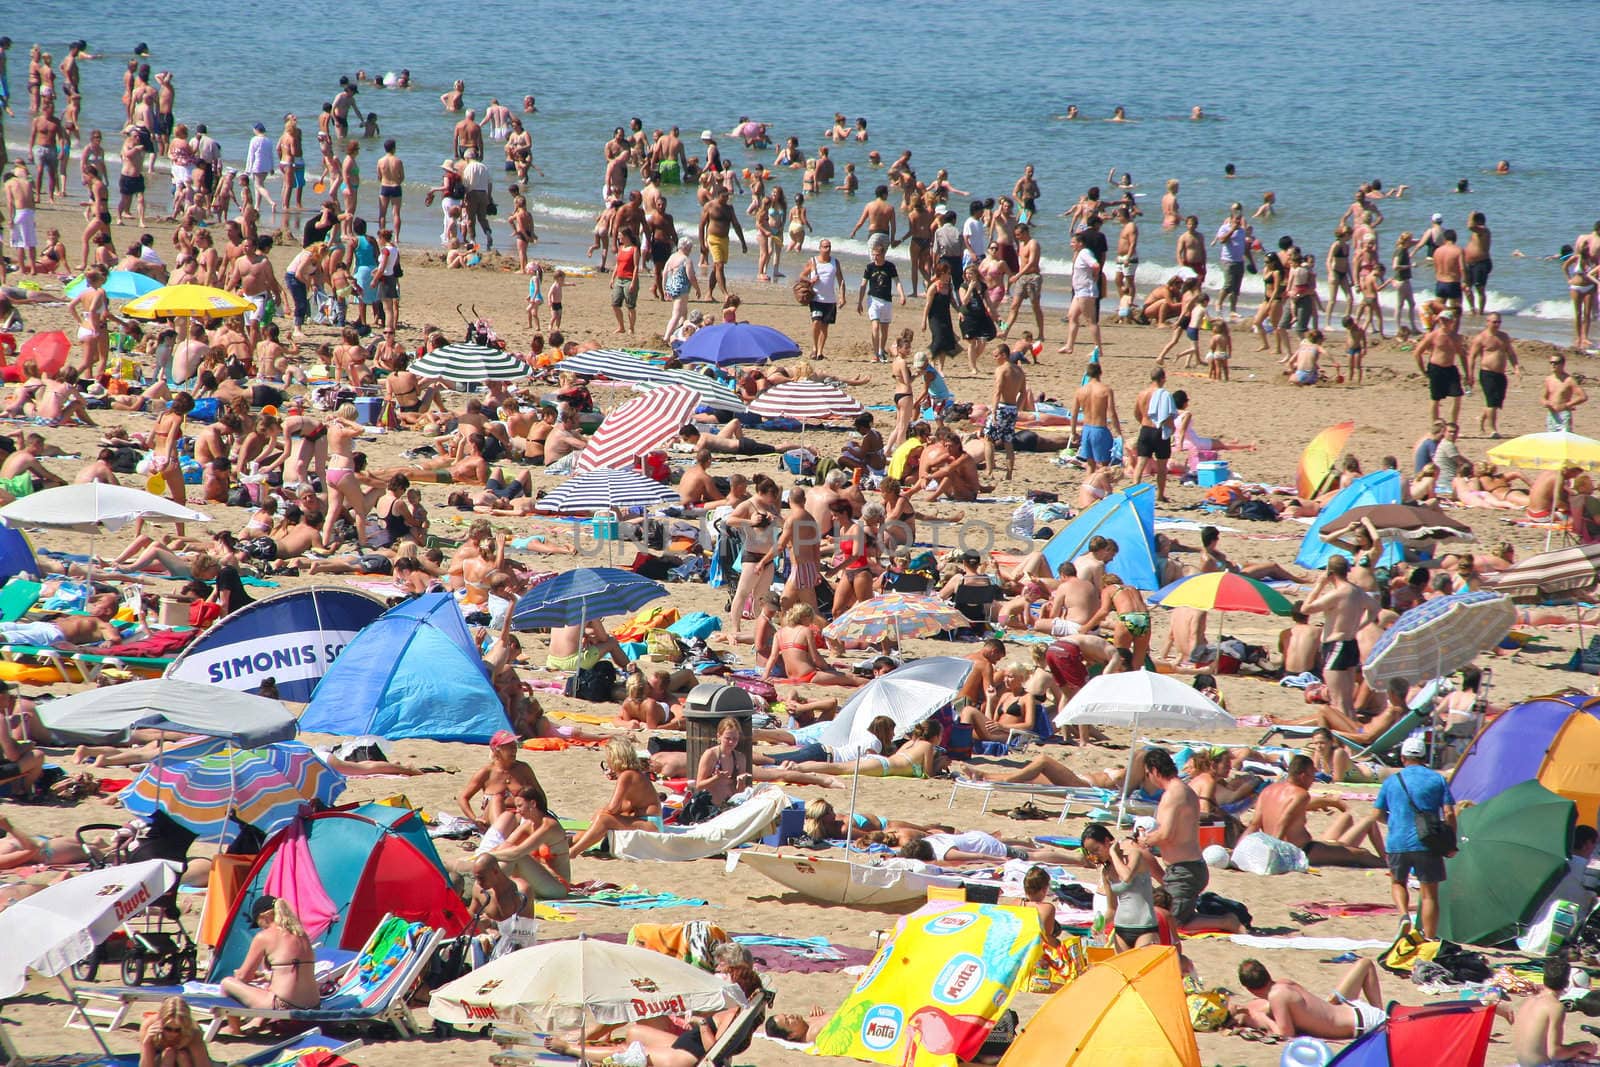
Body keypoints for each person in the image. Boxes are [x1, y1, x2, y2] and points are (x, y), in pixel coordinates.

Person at [1374, 733, 1455, 938]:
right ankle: (1428, 938)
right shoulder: (1437, 779)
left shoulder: (1392, 781)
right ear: (1424, 757)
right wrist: (1450, 840)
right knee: (1429, 895)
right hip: (1427, 841)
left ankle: (1403, 915)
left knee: (1398, 883)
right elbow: (1449, 813)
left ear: (1402, 758)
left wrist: (1394, 822)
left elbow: (1376, 814)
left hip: (1397, 841)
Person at [1248, 755, 1385, 866]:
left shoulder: (1269, 791)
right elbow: (1284, 821)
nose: (1313, 780)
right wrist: (1275, 853)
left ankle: (1388, 861)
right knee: (1362, 854)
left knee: (1348, 819)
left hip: (1297, 847)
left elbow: (1254, 825)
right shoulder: (1300, 794)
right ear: (1303, 776)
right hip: (1302, 851)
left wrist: (1239, 849)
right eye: (1312, 775)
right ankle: (1389, 864)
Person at [1231, 957, 1387, 1040]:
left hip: (1364, 1023)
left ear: (1249, 989)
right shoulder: (1284, 983)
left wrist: (1263, 1019)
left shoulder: (1276, 996)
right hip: (1353, 1008)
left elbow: (1286, 1034)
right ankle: (1379, 1009)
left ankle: (1383, 1023)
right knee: (1365, 963)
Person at [1137, 748, 1208, 926]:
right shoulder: (1185, 790)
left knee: (1172, 923)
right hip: (1185, 869)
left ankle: (1228, 921)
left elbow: (1166, 834)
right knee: (1157, 913)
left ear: (1154, 771)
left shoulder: (1172, 795)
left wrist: (1144, 840)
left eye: (1147, 774)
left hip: (1185, 871)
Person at [218, 897, 319, 1011]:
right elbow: (292, 973)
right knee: (267, 988)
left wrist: (239, 974)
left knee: (227, 983)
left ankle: (234, 1029)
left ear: (263, 917)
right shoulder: (301, 934)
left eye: (258, 923)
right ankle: (257, 1022)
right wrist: (264, 976)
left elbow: (243, 977)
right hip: (314, 1004)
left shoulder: (264, 936)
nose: (260, 927)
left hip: (283, 1004)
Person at [567, 738, 662, 853]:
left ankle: (573, 851)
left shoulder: (627, 776)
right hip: (647, 822)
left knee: (604, 818)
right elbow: (625, 806)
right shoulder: (633, 774)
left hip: (650, 824)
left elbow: (613, 808)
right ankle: (572, 842)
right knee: (601, 814)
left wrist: (604, 812)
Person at [1081, 822, 1159, 949]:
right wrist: (1099, 924)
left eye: (1096, 850)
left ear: (1107, 841)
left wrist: (1113, 853)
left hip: (1145, 926)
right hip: (1121, 928)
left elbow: (1126, 877)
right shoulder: (1107, 872)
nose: (1095, 856)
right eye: (1091, 853)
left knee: (1142, 967)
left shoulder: (1134, 855)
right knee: (1123, 969)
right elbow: (1112, 909)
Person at [1512, 957, 1598, 1067]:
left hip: (1522, 1064)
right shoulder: (1555, 1007)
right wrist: (1582, 1047)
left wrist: (1575, 1047)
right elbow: (1555, 1053)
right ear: (1567, 983)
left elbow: (1540, 1046)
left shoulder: (1530, 1001)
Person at [457, 730, 542, 829]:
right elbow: (462, 798)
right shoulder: (486, 772)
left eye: (514, 745)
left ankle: (506, 835)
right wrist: (474, 818)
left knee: (522, 811)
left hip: (518, 816)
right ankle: (500, 834)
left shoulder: (523, 769)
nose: (514, 749)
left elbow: (539, 794)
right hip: (492, 819)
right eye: (509, 746)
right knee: (497, 799)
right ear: (496, 750)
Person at [138, 997, 215, 1067]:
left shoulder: (192, 1031)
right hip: (161, 1061)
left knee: (182, 1056)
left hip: (185, 1062)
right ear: (160, 1022)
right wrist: (147, 1043)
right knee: (169, 1053)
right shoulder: (149, 1026)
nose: (172, 1034)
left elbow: (203, 1064)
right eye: (168, 1029)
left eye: (178, 1030)